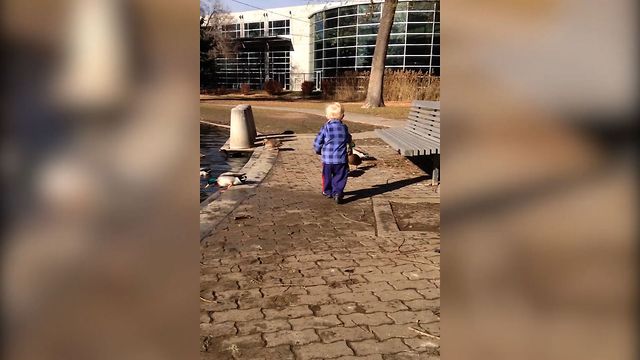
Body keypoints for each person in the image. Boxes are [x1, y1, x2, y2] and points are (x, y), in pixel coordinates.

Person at [313, 102, 352, 204]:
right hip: (341, 159)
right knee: (340, 176)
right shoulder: (344, 128)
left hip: (327, 160)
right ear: (342, 116)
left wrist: (317, 149)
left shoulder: (326, 128)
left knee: (326, 176)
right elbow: (349, 139)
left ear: (327, 116)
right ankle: (338, 192)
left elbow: (318, 141)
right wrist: (350, 148)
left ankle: (327, 191)